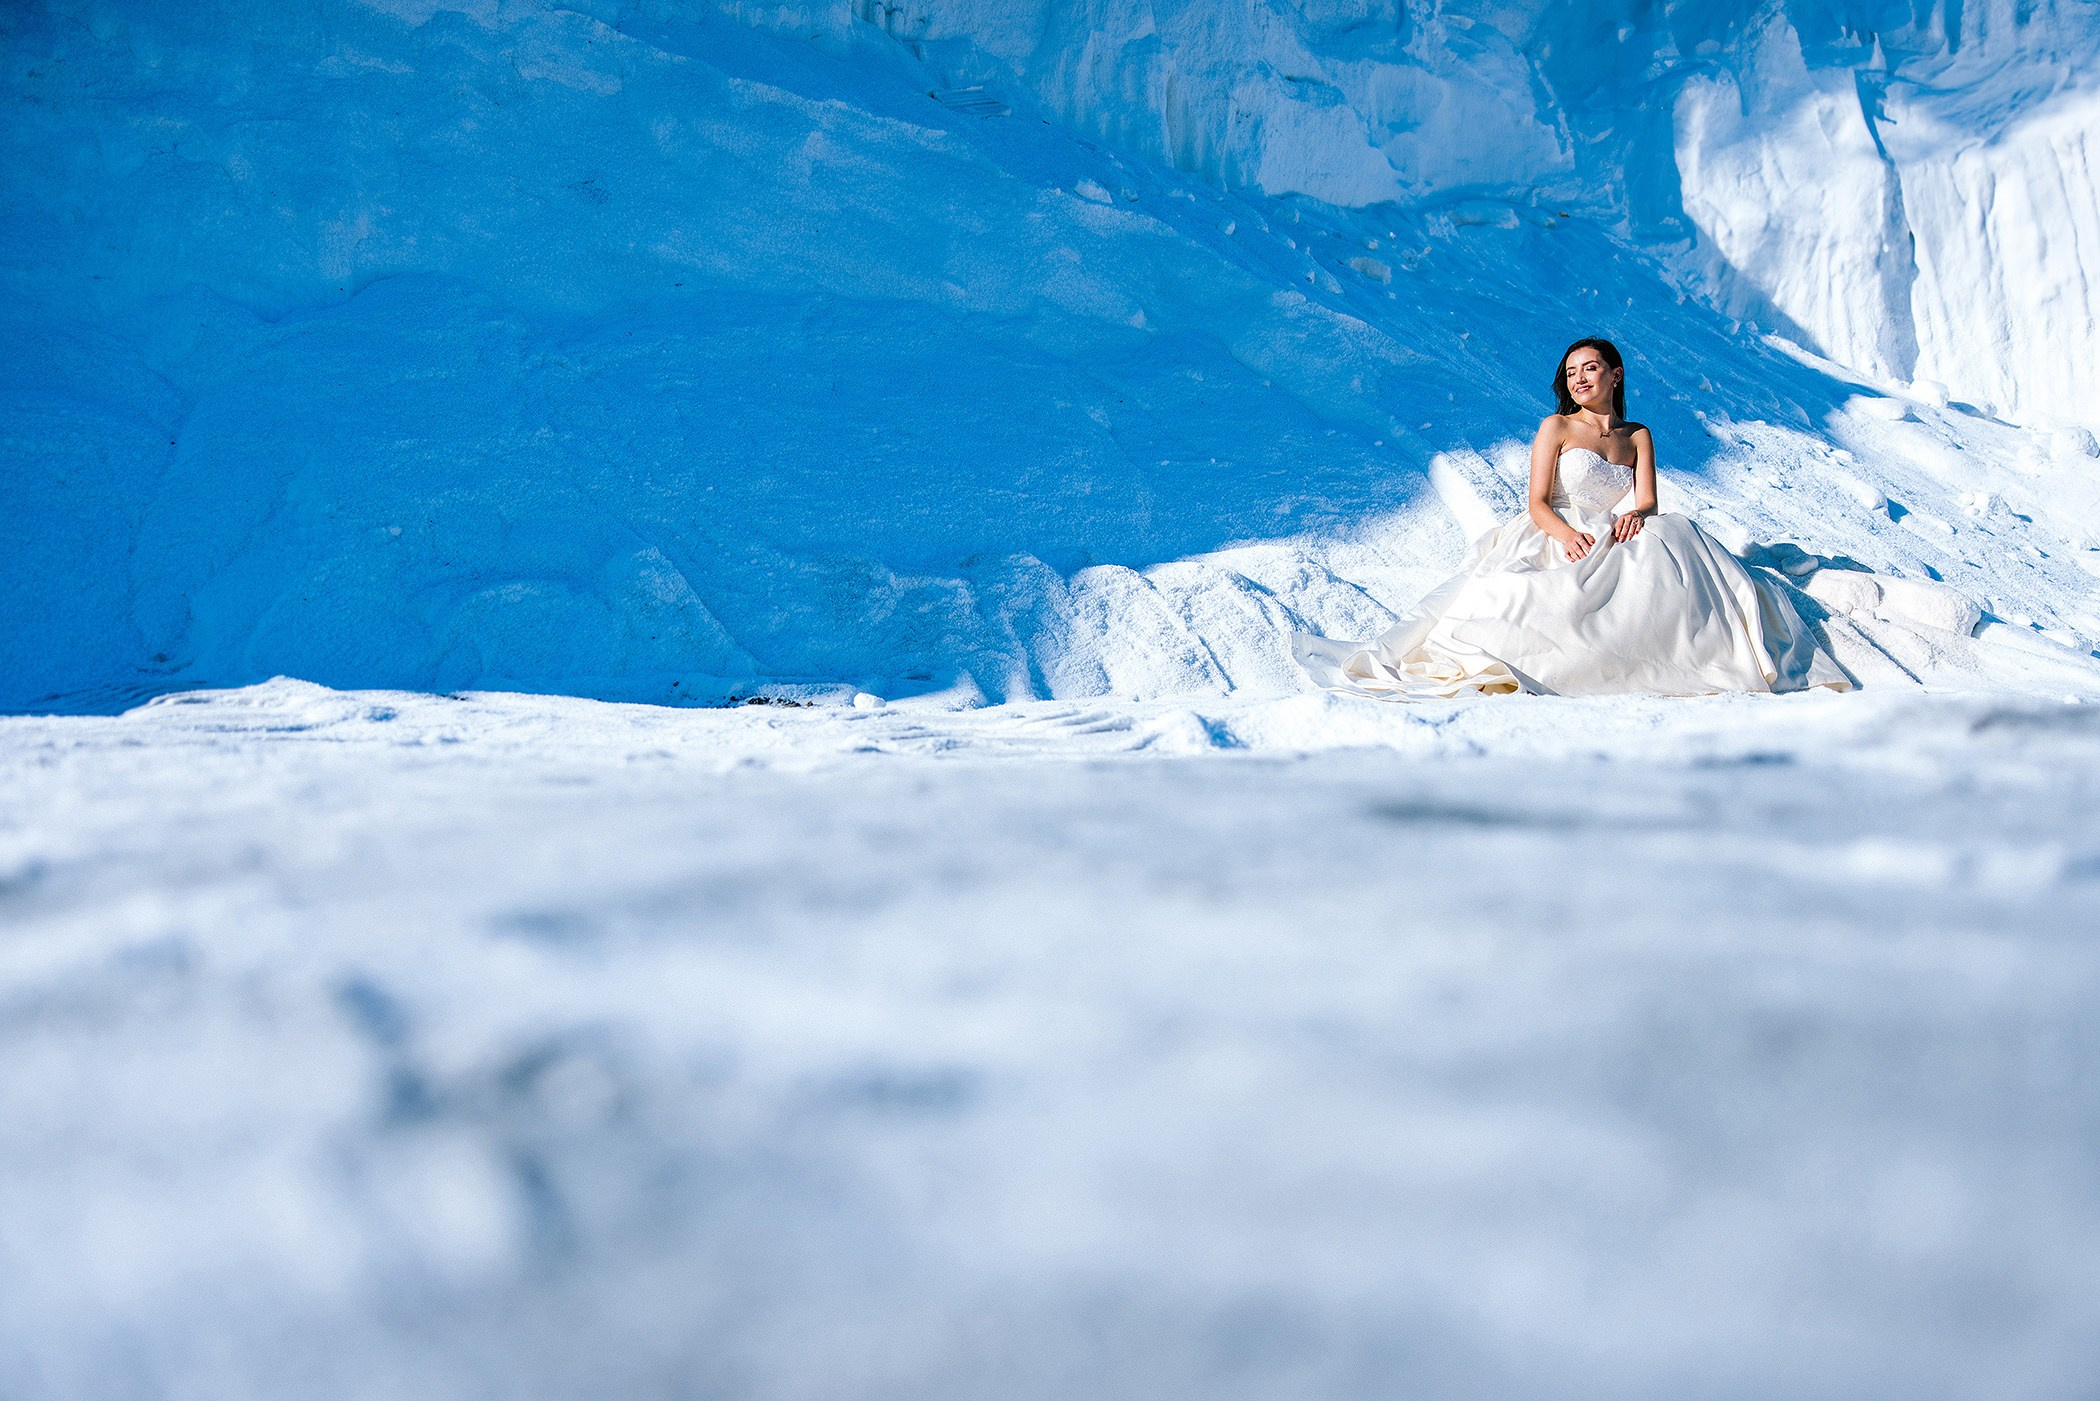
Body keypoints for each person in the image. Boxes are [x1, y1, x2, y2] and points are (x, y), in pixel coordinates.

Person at [1293, 337, 1850, 698]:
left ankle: (1696, 653)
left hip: (1611, 529)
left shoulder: (1638, 435)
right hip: (1553, 530)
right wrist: (1568, 535)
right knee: (1523, 600)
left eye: (1591, 368)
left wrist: (1633, 518)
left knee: (1672, 536)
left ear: (1616, 373)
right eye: (1572, 372)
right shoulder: (1555, 428)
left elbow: (1648, 498)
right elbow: (1536, 501)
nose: (1580, 378)